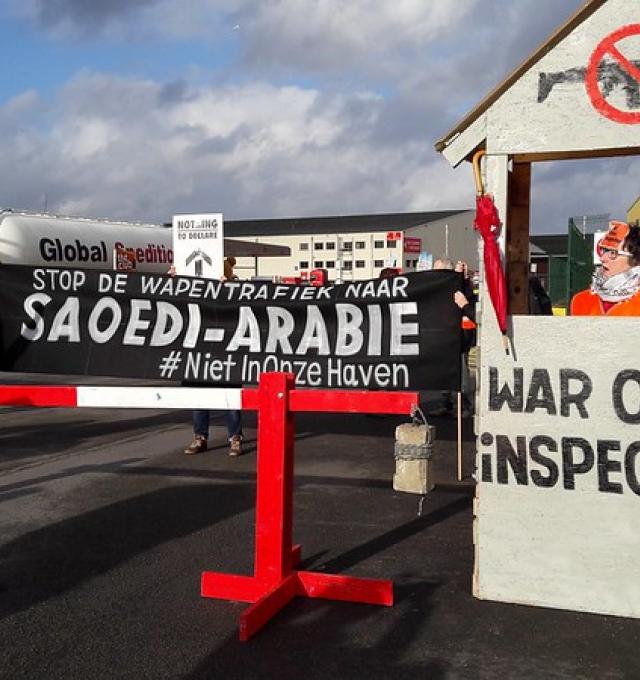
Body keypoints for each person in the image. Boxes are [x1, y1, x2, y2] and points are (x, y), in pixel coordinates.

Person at [167, 263, 244, 456]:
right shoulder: (190, 293)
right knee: (200, 397)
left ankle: (235, 438)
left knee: (230, 399)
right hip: (199, 352)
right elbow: (171, 303)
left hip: (225, 352)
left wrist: (228, 288)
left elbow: (241, 310)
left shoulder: (232, 292)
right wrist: (173, 281)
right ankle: (200, 437)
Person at [570, 220, 640, 316]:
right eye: (604, 251)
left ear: (636, 259)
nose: (602, 258)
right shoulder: (581, 301)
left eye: (613, 253)